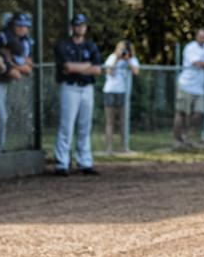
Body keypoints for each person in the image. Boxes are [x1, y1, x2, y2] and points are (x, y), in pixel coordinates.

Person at [53, 14, 101, 176]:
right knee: (66, 125)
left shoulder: (90, 46)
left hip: (87, 88)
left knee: (84, 126)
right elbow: (68, 67)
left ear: (86, 27)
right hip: (70, 88)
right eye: (77, 25)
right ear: (72, 27)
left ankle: (85, 162)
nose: (80, 28)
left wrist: (78, 67)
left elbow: (97, 69)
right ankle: (62, 163)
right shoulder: (63, 45)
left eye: (83, 25)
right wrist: (87, 65)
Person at [0, 12, 30, 154]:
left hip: (2, 83)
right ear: (12, 25)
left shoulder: (23, 40)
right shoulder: (2, 35)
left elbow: (27, 65)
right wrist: (9, 66)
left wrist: (11, 64)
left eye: (24, 26)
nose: (22, 28)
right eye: (19, 25)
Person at [173, 28, 204, 149]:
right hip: (186, 85)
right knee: (181, 113)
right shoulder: (191, 48)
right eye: (201, 37)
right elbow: (198, 63)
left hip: (199, 88)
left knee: (199, 112)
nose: (203, 39)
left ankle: (185, 135)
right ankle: (176, 140)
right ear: (197, 37)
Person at [102, 39, 140, 153]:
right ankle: (109, 148)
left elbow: (136, 72)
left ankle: (123, 147)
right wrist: (117, 59)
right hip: (110, 91)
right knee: (110, 121)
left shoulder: (132, 59)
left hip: (123, 92)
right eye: (122, 48)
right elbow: (108, 72)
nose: (123, 51)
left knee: (123, 121)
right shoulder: (112, 57)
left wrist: (128, 60)